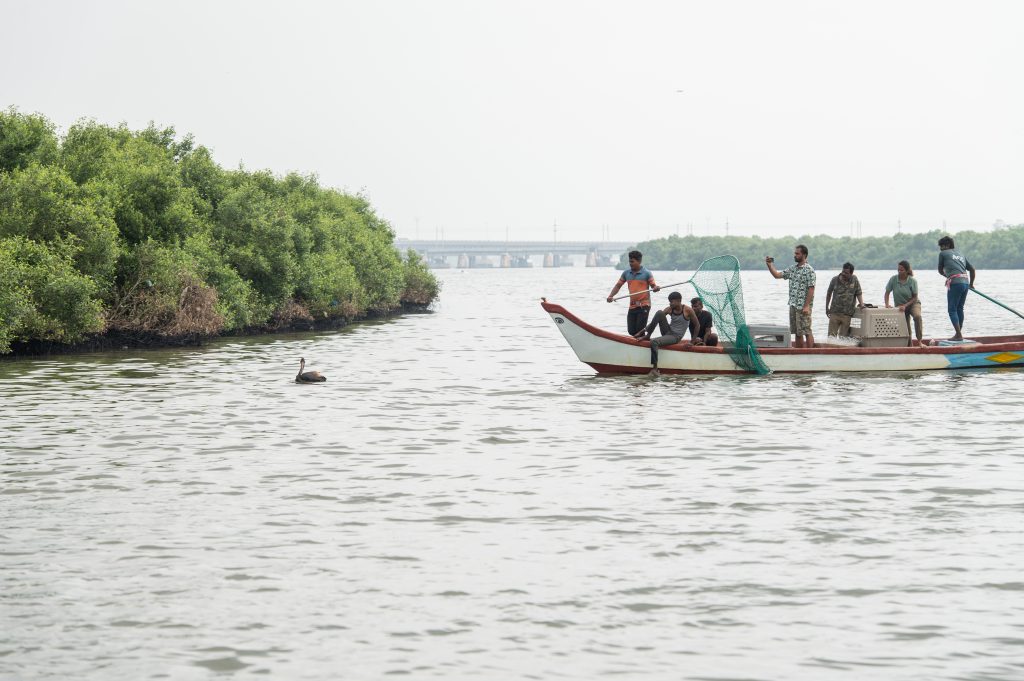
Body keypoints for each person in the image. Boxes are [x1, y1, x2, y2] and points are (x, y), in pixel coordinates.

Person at [633, 291, 699, 376]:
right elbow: (655, 320)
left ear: (679, 301)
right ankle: (648, 335)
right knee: (659, 313)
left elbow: (697, 325)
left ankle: (655, 369)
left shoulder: (688, 310)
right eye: (669, 302)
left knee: (654, 342)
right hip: (667, 331)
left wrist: (692, 342)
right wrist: (642, 331)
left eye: (672, 301)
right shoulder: (669, 309)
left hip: (675, 337)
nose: (670, 304)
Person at [765, 244, 816, 348]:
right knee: (797, 332)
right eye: (795, 253)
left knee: (806, 330)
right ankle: (799, 354)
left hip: (803, 306)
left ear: (804, 255)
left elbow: (811, 288)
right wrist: (769, 265)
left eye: (797, 254)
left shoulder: (809, 270)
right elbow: (777, 275)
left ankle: (811, 353)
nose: (795, 255)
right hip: (793, 304)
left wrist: (806, 306)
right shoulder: (793, 269)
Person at [607, 250, 660, 336]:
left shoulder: (647, 273)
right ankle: (639, 342)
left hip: (644, 305)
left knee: (639, 330)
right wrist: (611, 296)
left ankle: (644, 343)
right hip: (632, 306)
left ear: (639, 261)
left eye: (632, 261)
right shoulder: (626, 273)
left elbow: (653, 286)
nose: (630, 263)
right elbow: (618, 286)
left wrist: (655, 288)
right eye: (629, 261)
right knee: (631, 331)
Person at [937, 236, 976, 340]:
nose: (941, 248)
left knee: (952, 309)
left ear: (948, 245)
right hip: (965, 283)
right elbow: (972, 269)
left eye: (942, 246)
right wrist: (971, 284)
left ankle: (958, 334)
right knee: (959, 308)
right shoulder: (960, 254)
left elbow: (940, 270)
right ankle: (959, 334)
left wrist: (948, 276)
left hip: (955, 283)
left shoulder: (943, 254)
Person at [885, 260, 924, 346]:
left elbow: (915, 297)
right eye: (898, 269)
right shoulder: (893, 279)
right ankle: (909, 346)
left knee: (917, 317)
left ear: (907, 271)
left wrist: (905, 305)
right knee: (906, 328)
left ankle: (920, 341)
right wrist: (887, 304)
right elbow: (887, 292)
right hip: (900, 306)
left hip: (913, 303)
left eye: (902, 270)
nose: (899, 271)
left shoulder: (912, 281)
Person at [824, 262, 865, 337]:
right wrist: (826, 308)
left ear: (851, 273)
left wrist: (862, 304)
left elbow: (858, 293)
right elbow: (829, 294)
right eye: (843, 271)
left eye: (846, 273)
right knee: (831, 336)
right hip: (835, 313)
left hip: (847, 314)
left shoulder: (854, 279)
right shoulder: (835, 280)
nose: (843, 274)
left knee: (843, 338)